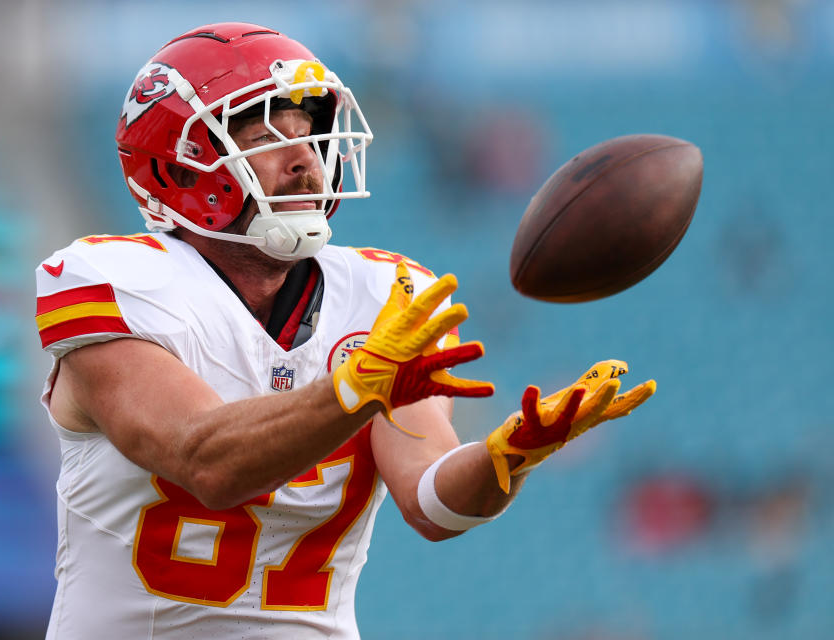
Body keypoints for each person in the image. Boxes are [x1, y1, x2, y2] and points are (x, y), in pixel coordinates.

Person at [34, 22, 656, 639]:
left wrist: (508, 460)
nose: (305, 158)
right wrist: (351, 390)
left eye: (310, 133)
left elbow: (434, 504)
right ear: (181, 168)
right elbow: (207, 462)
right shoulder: (112, 280)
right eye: (267, 136)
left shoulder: (385, 296)